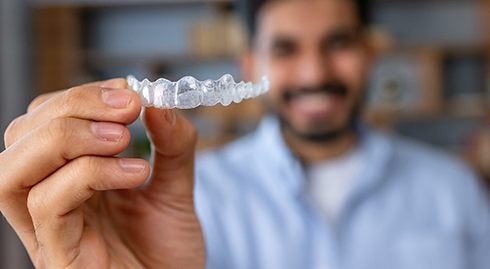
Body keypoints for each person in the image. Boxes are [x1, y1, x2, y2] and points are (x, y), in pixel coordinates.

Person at [0, 0, 488, 268]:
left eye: (337, 43)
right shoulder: (189, 201)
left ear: (369, 54)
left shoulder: (454, 191)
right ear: (250, 65)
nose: (314, 72)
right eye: (286, 48)